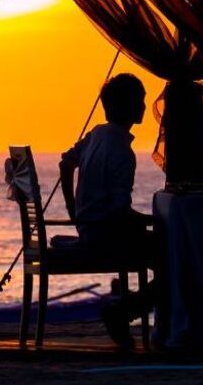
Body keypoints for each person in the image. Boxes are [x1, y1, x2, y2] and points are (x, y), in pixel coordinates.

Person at [59, 73, 153, 347]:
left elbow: (66, 164)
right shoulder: (123, 152)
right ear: (128, 106)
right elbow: (118, 212)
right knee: (171, 256)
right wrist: (152, 221)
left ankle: (125, 309)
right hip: (105, 237)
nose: (145, 106)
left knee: (162, 248)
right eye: (141, 101)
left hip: (89, 230)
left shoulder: (96, 134)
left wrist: (73, 212)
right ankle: (124, 311)